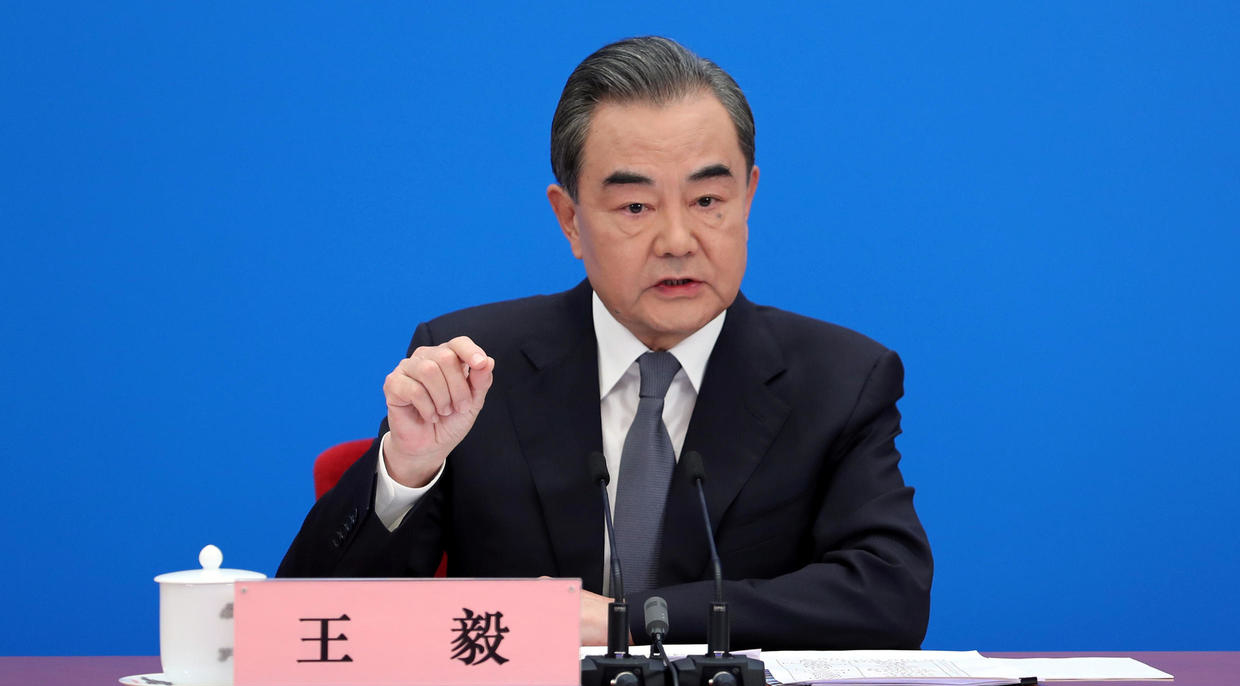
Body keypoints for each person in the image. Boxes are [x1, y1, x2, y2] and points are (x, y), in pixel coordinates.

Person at [279, 36, 932, 651]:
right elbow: (311, 624)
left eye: (708, 199)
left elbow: (888, 597)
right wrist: (409, 468)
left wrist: (629, 622)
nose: (678, 240)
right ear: (569, 219)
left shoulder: (840, 380)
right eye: (636, 208)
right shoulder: (474, 366)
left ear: (748, 197)